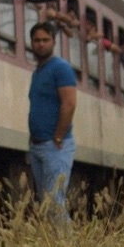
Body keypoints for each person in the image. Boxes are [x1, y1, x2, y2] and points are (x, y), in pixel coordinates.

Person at [26, 21, 78, 220]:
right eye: (37, 40)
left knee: (54, 201)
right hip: (38, 145)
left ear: (53, 42)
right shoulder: (38, 72)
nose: (40, 44)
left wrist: (58, 136)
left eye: (45, 40)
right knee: (45, 202)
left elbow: (69, 103)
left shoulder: (61, 68)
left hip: (56, 146)